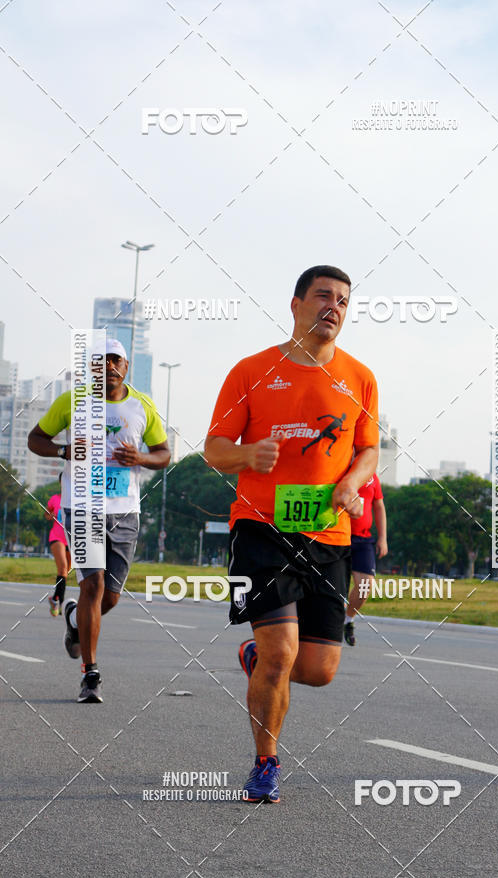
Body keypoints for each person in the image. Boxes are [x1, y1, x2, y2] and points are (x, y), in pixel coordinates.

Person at [204, 265, 379, 802]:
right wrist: (246, 454)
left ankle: (256, 661)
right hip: (261, 529)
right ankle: (265, 763)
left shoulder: (360, 377)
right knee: (282, 655)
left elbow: (370, 450)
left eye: (344, 301)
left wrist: (352, 481)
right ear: (296, 303)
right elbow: (214, 448)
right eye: (324, 296)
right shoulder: (252, 371)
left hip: (328, 537)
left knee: (319, 670)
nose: (334, 307)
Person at [28, 338, 170, 703]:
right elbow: (36, 439)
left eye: (115, 360)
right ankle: (90, 675)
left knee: (110, 598)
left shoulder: (143, 406)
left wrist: (140, 458)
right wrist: (64, 450)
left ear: (126, 366)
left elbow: (164, 453)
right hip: (83, 505)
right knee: (92, 586)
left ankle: (76, 622)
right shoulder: (72, 402)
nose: (108, 366)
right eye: (101, 361)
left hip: (124, 510)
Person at [344, 472, 388, 646]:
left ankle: (348, 620)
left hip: (363, 539)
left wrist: (382, 537)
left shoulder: (372, 476)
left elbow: (379, 506)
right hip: (338, 537)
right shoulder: (339, 468)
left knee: (365, 586)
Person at [45, 473, 70, 616]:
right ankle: (58, 603)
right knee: (63, 569)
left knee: (65, 572)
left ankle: (56, 600)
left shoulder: (77, 500)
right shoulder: (55, 499)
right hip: (57, 537)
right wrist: (51, 515)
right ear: (61, 482)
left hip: (71, 539)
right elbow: (46, 515)